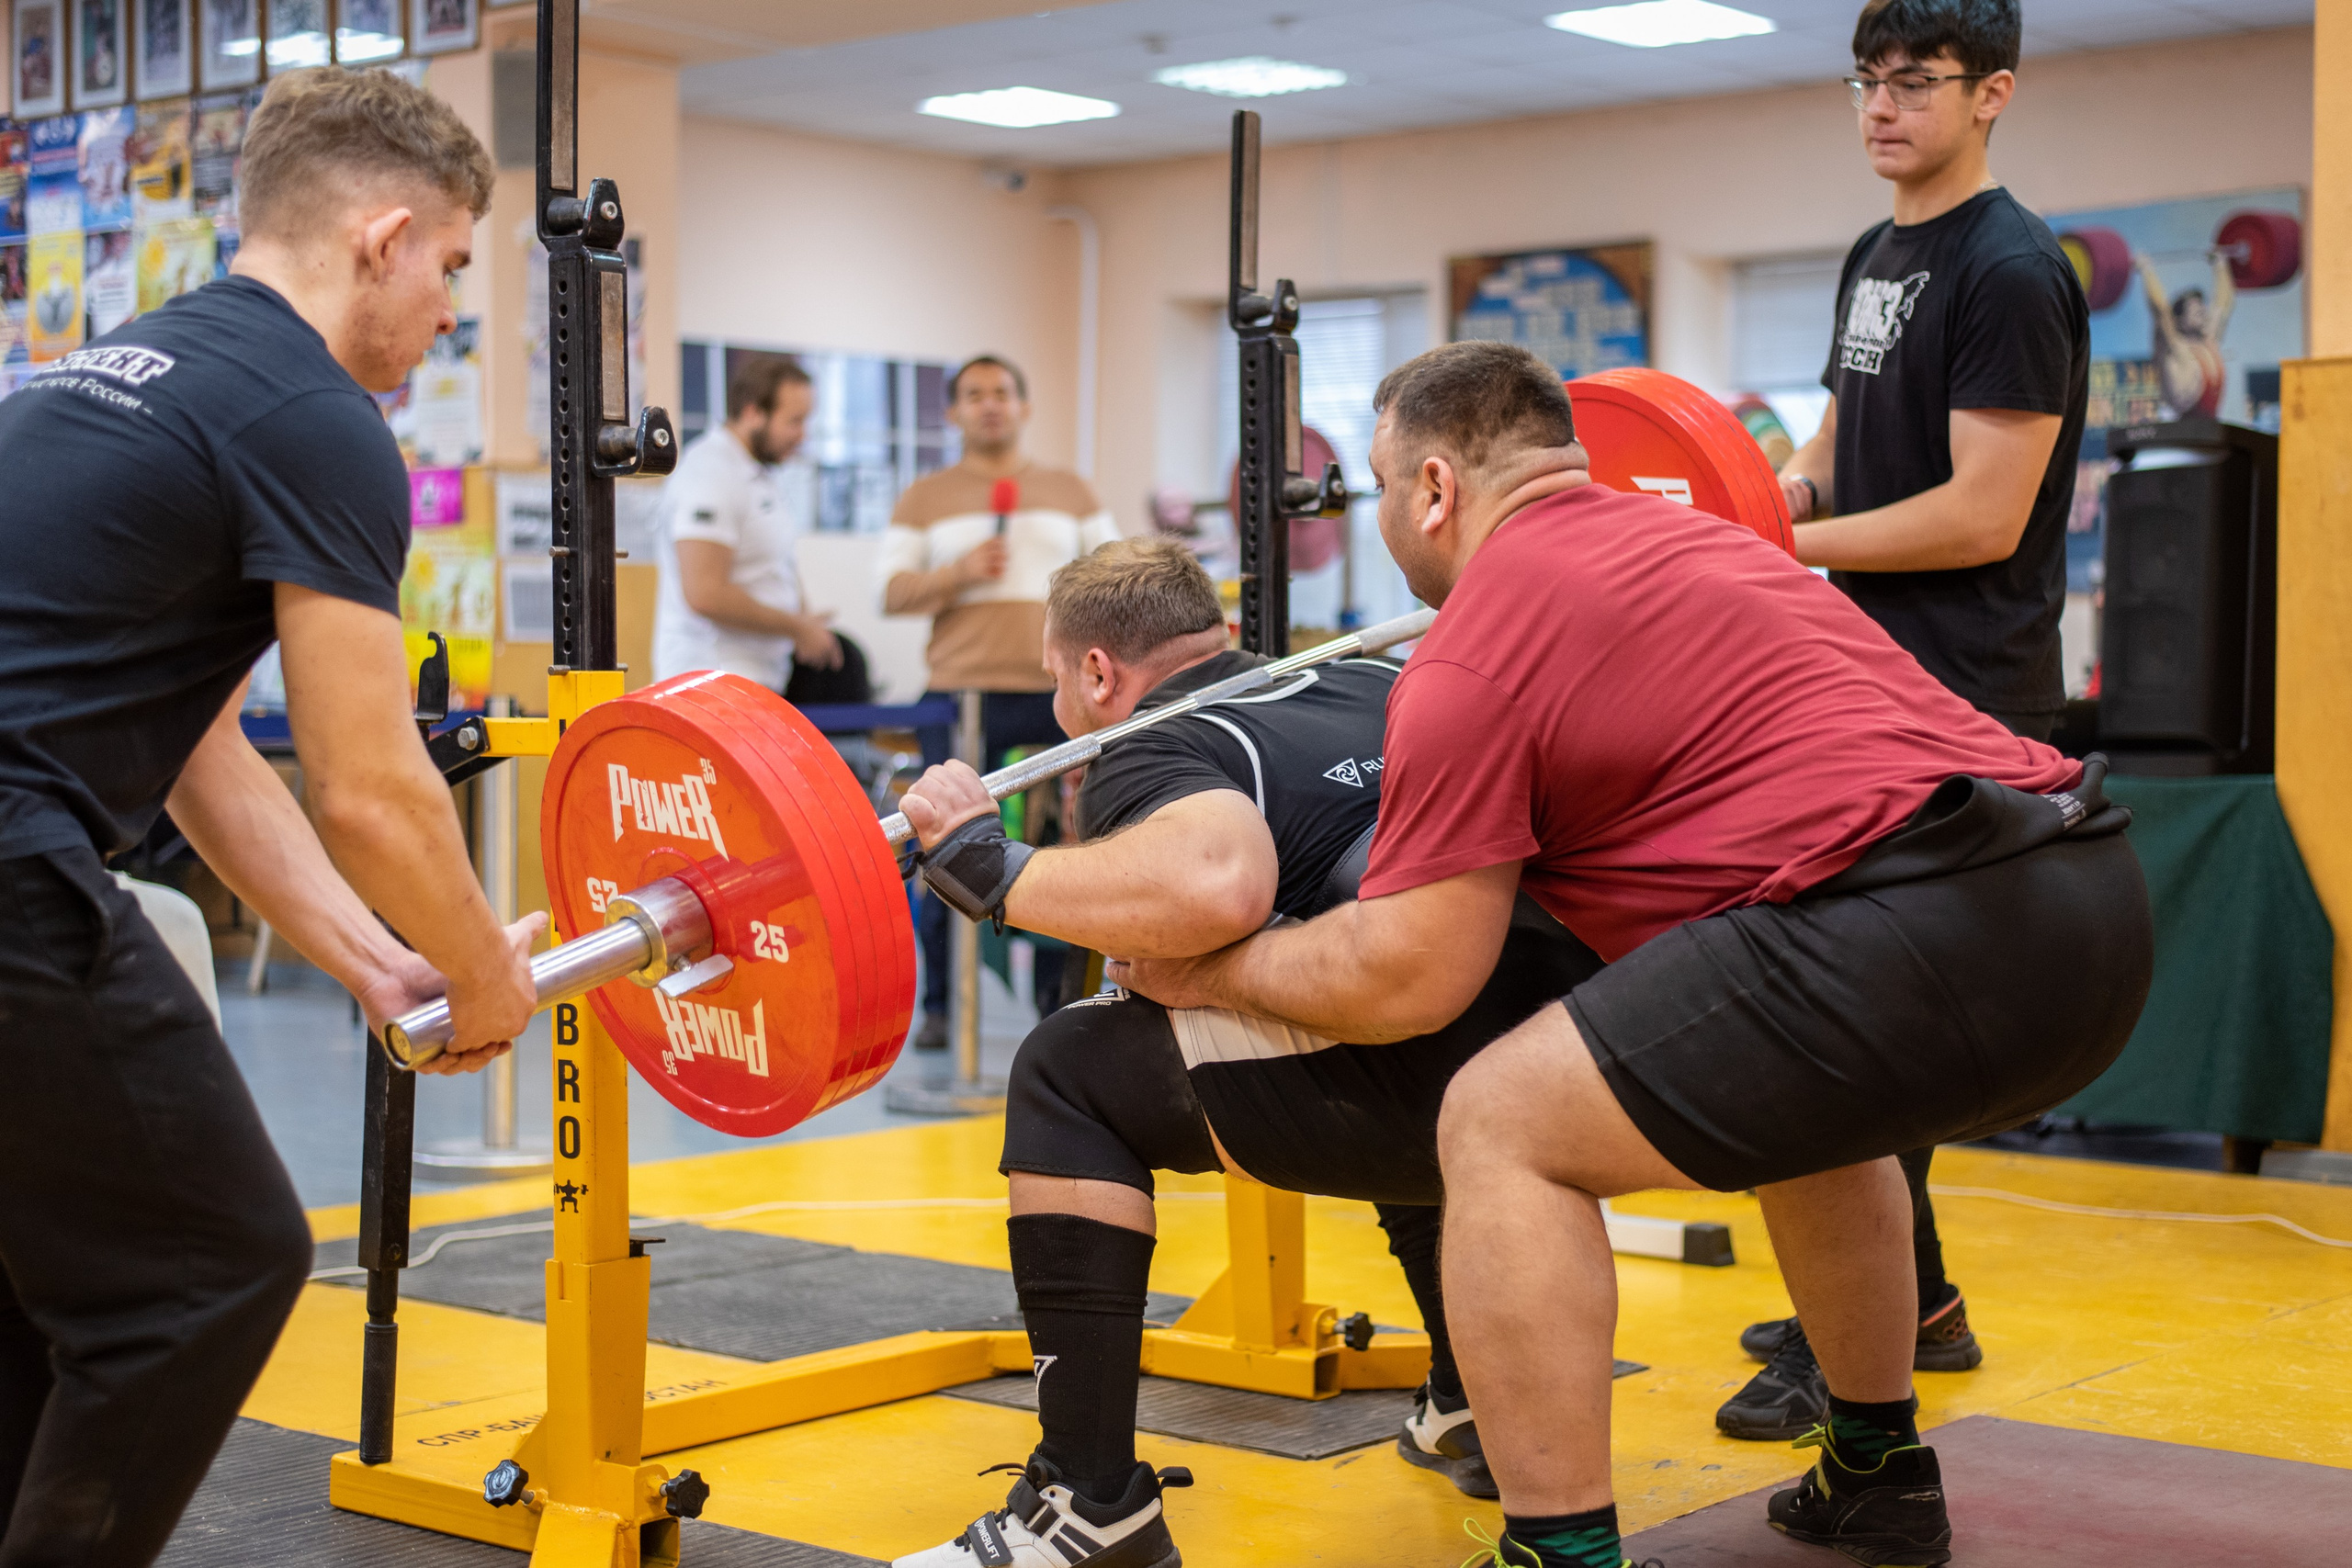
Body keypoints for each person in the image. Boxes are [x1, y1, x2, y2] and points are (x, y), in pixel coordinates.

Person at [1115, 341, 2151, 1568]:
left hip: (1906, 932)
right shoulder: (1722, 545)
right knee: (1819, 1109)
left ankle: (1560, 1547)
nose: (1386, 515)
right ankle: (1876, 1464)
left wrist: (1204, 974)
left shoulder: (1474, 646)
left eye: (1384, 486)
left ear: (1436, 488)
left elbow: (1407, 976)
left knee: (1498, 1119)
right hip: (2092, 904)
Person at [0, 66, 538, 1565]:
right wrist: (487, 972)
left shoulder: (120, 367)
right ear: (382, 236)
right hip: (9, 858)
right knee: (214, 1264)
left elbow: (205, 753)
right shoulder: (316, 418)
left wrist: (377, 962)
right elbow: (368, 785)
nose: (445, 314)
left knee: (48, 1291)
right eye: (446, 269)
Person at [887, 538, 1602, 1568]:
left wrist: (987, 862)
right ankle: (1472, 1403)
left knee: (1067, 1068)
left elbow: (1217, 885)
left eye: (1054, 679)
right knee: (1363, 1005)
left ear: (1097, 671)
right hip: (1574, 1045)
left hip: (1451, 1085)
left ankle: (1089, 1505)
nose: (1060, 705)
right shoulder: (1374, 675)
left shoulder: (1153, 741)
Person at [1762, 0, 2094, 1446]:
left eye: (1917, 82)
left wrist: (1786, 552)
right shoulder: (1874, 252)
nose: (1883, 107)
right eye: (1867, 82)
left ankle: (1869, 1343)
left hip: (1965, 694)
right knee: (1850, 997)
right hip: (1862, 679)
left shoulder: (2013, 267)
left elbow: (1981, 511)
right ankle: (1915, 1302)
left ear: (1994, 92)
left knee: (1871, 1010)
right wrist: (1753, 493)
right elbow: (1835, 449)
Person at [882, 355, 1119, 1044]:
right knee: (942, 845)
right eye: (974, 395)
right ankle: (939, 1011)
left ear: (1024, 406)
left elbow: (1117, 576)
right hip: (958, 696)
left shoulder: (1070, 490)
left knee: (1065, 845)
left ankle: (1060, 1001)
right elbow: (890, 591)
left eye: (1003, 393)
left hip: (1056, 695)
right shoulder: (924, 496)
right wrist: (956, 574)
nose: (990, 405)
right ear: (953, 412)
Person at [651, 353, 844, 690]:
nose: (802, 435)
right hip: (710, 682)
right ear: (753, 412)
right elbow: (705, 593)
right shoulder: (711, 475)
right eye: (794, 421)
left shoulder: (756, 471)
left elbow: (773, 564)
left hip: (751, 679)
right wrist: (796, 627)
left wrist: (804, 618)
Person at [2138, 250, 2233, 421]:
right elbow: (2161, 310)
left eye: (2202, 310)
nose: (2203, 312)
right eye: (2196, 311)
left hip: (2209, 424)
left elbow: (2224, 302)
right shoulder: (2173, 345)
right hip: (2183, 421)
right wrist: (2146, 270)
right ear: (2180, 321)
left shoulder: (2208, 341)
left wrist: (2220, 265)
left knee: (2215, 331)